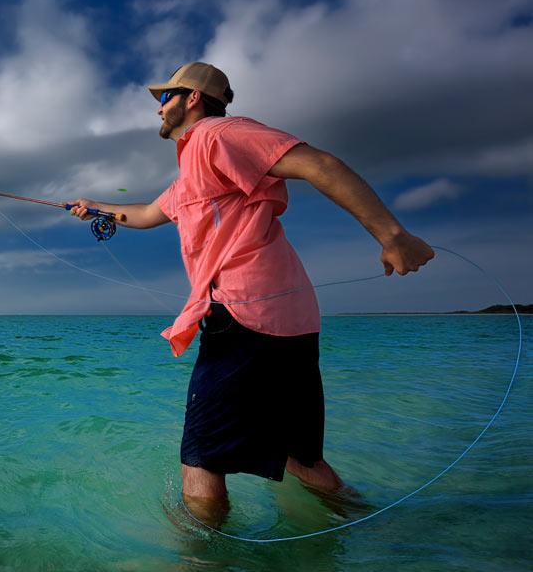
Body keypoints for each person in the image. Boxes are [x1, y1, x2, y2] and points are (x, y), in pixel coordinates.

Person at [69, 62, 434, 525]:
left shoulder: (218, 135)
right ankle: (376, 529)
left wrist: (392, 236)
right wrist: (94, 206)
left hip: (243, 315)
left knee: (201, 457)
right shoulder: (191, 175)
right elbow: (143, 212)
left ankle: (205, 558)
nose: (159, 108)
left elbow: (318, 163)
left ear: (193, 98)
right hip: (291, 318)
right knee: (299, 457)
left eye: (166, 98)